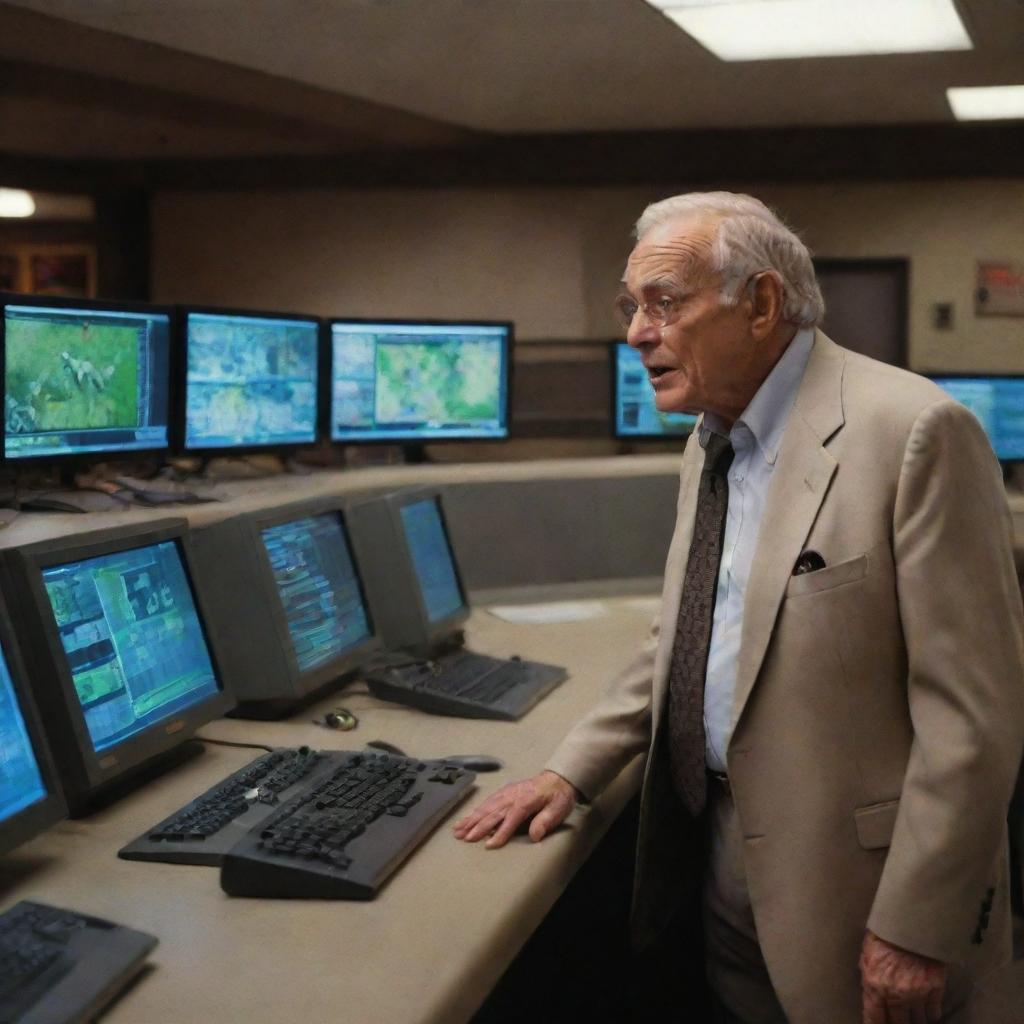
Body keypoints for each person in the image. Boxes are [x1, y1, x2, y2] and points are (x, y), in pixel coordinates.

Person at [453, 192, 1024, 1023]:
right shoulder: (711, 437)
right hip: (713, 857)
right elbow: (688, 636)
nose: (637, 333)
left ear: (760, 304)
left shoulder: (916, 432)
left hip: (860, 895)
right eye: (632, 306)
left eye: (664, 303)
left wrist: (917, 929)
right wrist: (568, 767)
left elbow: (974, 720)